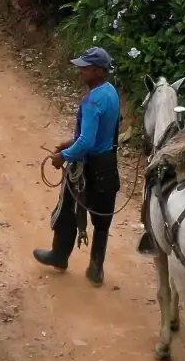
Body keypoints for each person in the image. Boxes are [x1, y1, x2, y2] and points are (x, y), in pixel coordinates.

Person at [33, 46, 121, 286]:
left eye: (85, 68)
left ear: (98, 70)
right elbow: (101, 135)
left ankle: (59, 256)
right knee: (102, 221)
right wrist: (70, 143)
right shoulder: (111, 92)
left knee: (67, 211)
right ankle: (96, 269)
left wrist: (64, 156)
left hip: (88, 168)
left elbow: (87, 142)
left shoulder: (92, 101)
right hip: (108, 166)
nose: (80, 71)